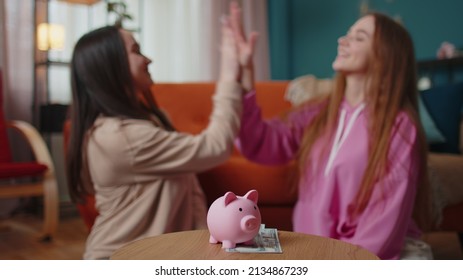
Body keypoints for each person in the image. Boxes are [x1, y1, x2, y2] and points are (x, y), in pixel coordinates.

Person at [229, 8, 432, 260]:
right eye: (348, 34)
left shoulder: (400, 127)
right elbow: (259, 143)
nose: (342, 40)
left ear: (386, 56)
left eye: (359, 37)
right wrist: (246, 71)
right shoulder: (320, 112)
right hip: (320, 252)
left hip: (372, 256)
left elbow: (383, 225)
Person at [66, 5, 250, 259]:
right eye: (136, 51)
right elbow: (214, 147)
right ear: (110, 67)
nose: (148, 59)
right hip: (120, 258)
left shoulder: (146, 120)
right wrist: (228, 70)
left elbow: (188, 185)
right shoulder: (121, 137)